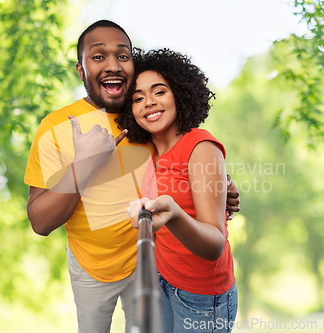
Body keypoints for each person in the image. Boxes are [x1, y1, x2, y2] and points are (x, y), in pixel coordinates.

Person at [24, 20, 240, 333]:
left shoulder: (143, 120)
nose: (112, 65)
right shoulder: (57, 127)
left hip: (154, 266)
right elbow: (40, 223)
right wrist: (83, 165)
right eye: (98, 57)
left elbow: (186, 154)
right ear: (80, 70)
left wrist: (222, 184)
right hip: (91, 266)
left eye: (123, 56)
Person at [120, 48, 237, 333]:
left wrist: (173, 215)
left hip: (201, 296)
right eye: (137, 98)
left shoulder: (200, 146)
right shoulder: (150, 152)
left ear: (180, 94)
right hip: (164, 279)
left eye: (159, 92)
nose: (148, 102)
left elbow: (214, 245)